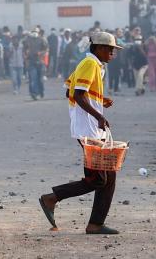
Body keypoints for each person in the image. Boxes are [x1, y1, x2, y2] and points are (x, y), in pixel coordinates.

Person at [39, 31, 122, 236]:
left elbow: (70, 90)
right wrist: (98, 115)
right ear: (100, 48)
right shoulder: (90, 64)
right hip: (88, 129)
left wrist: (101, 101)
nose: (113, 53)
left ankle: (96, 224)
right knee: (98, 178)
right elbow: (77, 95)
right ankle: (52, 197)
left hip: (90, 128)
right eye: (110, 50)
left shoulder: (93, 65)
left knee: (108, 175)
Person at [24, 28, 48, 99]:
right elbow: (24, 50)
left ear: (38, 32)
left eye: (36, 31)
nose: (34, 33)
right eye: (33, 31)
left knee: (40, 79)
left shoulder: (42, 40)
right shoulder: (28, 40)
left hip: (40, 62)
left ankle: (41, 91)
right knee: (33, 78)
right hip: (31, 62)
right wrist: (26, 54)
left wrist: (40, 53)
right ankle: (33, 94)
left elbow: (46, 49)